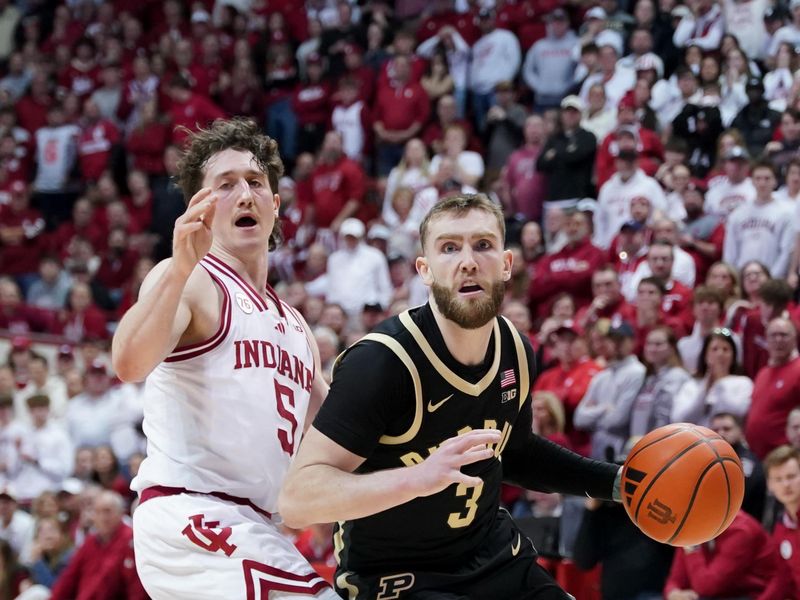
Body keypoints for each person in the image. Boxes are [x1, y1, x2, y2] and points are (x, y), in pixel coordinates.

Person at [279, 194, 622, 599]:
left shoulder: (514, 349)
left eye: (482, 244)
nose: (468, 261)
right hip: (399, 578)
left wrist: (617, 484)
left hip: (497, 560)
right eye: (449, 247)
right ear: (425, 270)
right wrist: (417, 478)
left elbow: (514, 452)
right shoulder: (383, 362)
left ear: (507, 264)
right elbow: (297, 500)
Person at [111, 119, 336, 598]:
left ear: (275, 204)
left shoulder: (297, 328)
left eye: (255, 182)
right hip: (191, 512)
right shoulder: (191, 279)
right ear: (202, 208)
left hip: (256, 527)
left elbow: (338, 439)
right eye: (226, 185)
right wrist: (178, 269)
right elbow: (128, 362)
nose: (245, 194)